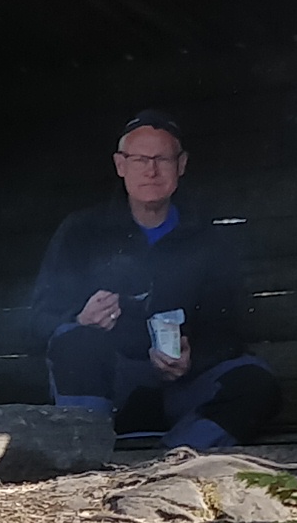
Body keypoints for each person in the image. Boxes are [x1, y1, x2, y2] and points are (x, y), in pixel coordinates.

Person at [30, 111, 282, 448]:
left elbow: (231, 328)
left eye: (162, 159)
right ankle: (87, 457)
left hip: (182, 391)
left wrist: (192, 358)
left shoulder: (208, 239)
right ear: (121, 165)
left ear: (181, 165)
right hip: (108, 391)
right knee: (74, 341)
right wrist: (79, 318)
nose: (151, 170)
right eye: (139, 159)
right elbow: (38, 320)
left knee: (255, 381)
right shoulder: (82, 232)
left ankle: (177, 461)